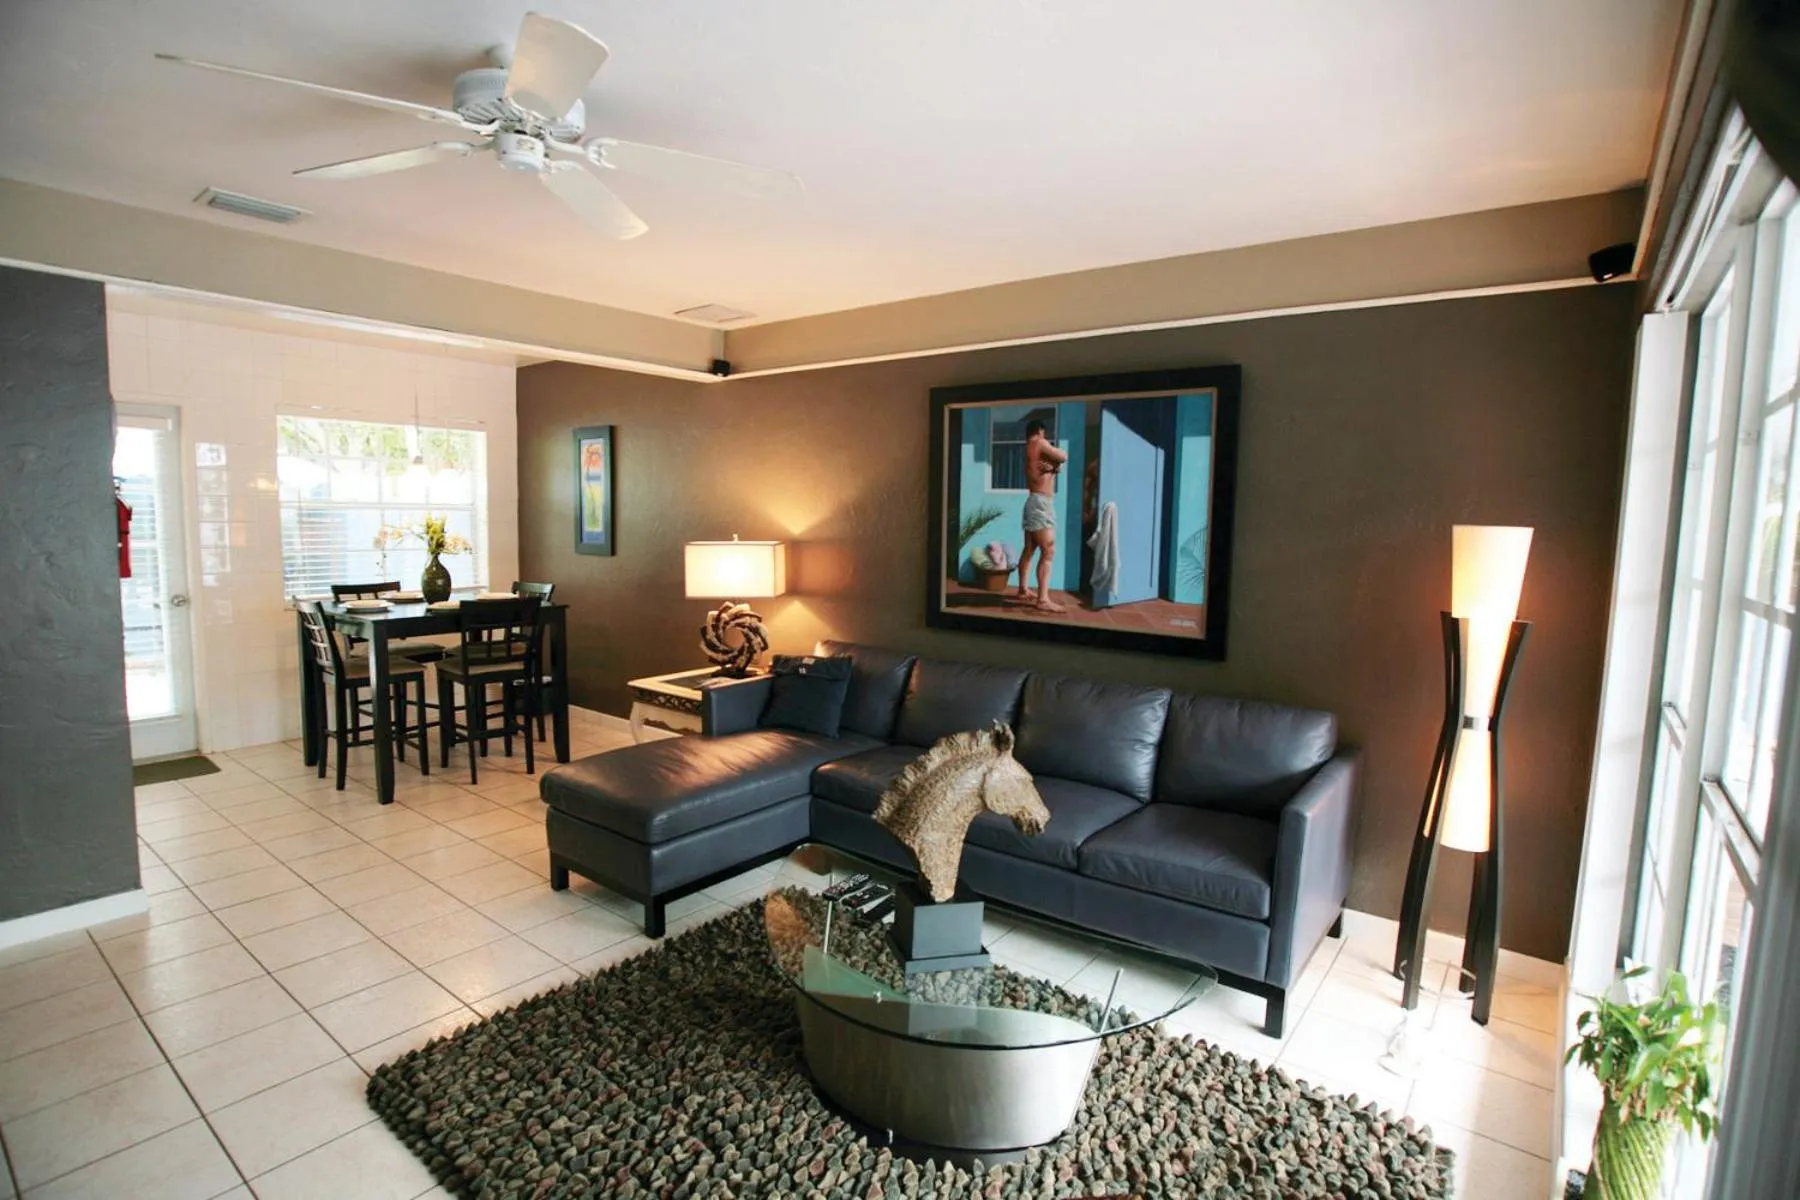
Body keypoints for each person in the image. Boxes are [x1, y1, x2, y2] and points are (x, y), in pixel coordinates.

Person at [1015, 419, 1069, 612]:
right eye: (1044, 434)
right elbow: (1063, 456)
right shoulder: (1038, 442)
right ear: (1039, 431)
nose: (1046, 439)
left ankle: (1023, 589)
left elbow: (1048, 468)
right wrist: (1056, 461)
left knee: (1029, 548)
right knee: (1049, 550)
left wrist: (1053, 468)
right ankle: (1043, 600)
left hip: (1033, 501)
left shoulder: (1029, 448)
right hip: (1041, 504)